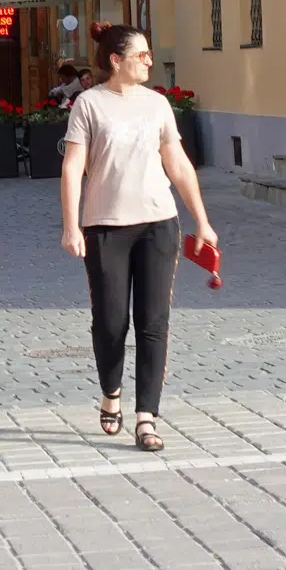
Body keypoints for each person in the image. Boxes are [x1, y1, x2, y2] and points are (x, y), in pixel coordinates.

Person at [59, 23, 217, 454]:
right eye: (141, 54)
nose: (149, 60)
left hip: (158, 224)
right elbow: (73, 167)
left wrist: (201, 220)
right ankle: (111, 392)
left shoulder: (157, 105)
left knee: (153, 323)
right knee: (111, 323)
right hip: (105, 226)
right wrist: (71, 224)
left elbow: (179, 165)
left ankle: (146, 416)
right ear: (116, 60)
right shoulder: (89, 105)